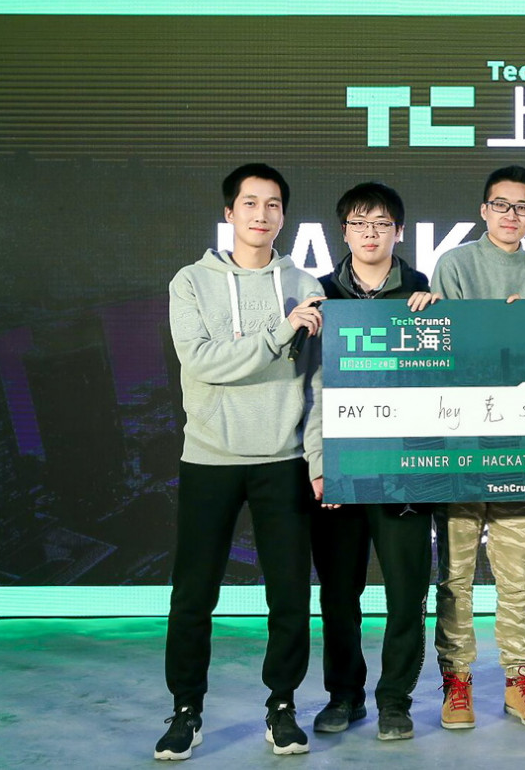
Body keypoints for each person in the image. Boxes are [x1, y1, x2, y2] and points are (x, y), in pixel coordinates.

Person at [155, 163, 326, 760]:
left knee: (290, 595)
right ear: (229, 213)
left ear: (284, 216)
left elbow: (317, 382)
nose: (261, 214)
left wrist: (316, 457)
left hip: (283, 457)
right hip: (209, 456)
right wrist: (278, 334)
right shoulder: (191, 282)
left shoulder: (304, 282)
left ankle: (282, 706)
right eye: (250, 203)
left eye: (273, 204)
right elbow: (201, 362)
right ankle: (186, 710)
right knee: (193, 593)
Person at [430, 165, 525, 730]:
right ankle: (456, 683)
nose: (511, 215)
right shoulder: (454, 264)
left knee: (518, 575)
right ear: (484, 210)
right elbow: (450, 351)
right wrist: (502, 331)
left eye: (522, 207)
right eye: (501, 205)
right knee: (455, 575)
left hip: (521, 448)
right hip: (461, 445)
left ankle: (520, 681)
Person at [310, 181, 440, 742]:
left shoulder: (422, 291)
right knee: (339, 595)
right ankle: (344, 695)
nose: (371, 233)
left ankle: (395, 700)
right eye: (360, 223)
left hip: (404, 471)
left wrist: (438, 320)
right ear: (344, 231)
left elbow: (443, 379)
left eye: (382, 223)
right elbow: (308, 387)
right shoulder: (318, 294)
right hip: (340, 468)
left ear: (399, 232)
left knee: (406, 594)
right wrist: (320, 464)